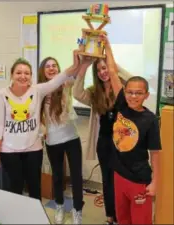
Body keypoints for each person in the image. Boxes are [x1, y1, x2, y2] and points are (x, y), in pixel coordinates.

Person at [0, 51, 80, 201]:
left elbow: (57, 80)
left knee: (34, 188)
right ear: (12, 75)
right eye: (18, 72)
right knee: (15, 188)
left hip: (33, 149)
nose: (23, 76)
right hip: (9, 150)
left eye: (27, 73)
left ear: (31, 76)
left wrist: (77, 64)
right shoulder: (2, 94)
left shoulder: (37, 91)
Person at [73, 35, 132, 225]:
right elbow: (76, 93)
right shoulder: (93, 92)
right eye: (99, 70)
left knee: (122, 180)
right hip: (105, 143)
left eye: (105, 68)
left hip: (124, 142)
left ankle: (123, 216)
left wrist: (109, 54)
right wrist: (84, 65)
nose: (103, 72)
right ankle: (110, 217)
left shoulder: (123, 86)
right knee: (107, 180)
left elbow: (131, 78)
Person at [104, 35, 161, 224]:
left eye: (138, 93)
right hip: (119, 175)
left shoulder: (150, 119)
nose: (133, 96)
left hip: (139, 180)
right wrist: (106, 44)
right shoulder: (122, 105)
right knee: (122, 219)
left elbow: (155, 153)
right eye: (129, 92)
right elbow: (112, 71)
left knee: (141, 221)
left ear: (146, 95)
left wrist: (154, 182)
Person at [38, 57, 84, 224]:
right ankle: (59, 206)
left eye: (54, 65)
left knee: (76, 176)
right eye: (48, 66)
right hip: (53, 140)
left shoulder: (66, 83)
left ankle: (77, 210)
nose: (51, 68)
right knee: (57, 176)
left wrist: (80, 59)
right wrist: (42, 130)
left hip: (72, 137)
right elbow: (37, 116)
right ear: (43, 71)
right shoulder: (40, 90)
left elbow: (77, 73)